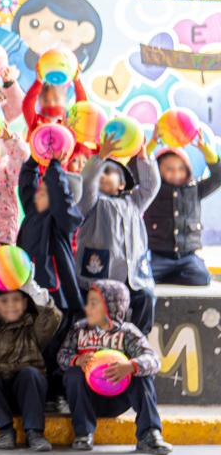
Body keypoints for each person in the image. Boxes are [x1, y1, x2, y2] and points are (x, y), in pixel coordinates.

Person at [57, 279, 170, 455]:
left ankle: (149, 433)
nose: (88, 308)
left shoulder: (128, 332)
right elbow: (62, 356)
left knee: (142, 376)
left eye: (94, 303)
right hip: (89, 400)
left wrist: (131, 366)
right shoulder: (79, 330)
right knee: (73, 374)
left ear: (111, 308)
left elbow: (154, 361)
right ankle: (83, 432)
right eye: (88, 303)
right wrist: (76, 360)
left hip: (118, 398)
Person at [0, 262, 61, 452]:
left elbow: (51, 320)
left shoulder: (32, 327)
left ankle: (34, 432)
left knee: (31, 374)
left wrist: (35, 293)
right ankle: (5, 430)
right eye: (4, 301)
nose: (11, 305)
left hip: (27, 396)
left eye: (16, 299)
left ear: (25, 303)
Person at [75, 143, 160, 334]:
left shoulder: (134, 202)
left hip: (132, 278)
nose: (101, 175)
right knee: (89, 310)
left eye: (107, 172)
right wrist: (99, 158)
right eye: (100, 172)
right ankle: (90, 341)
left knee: (146, 298)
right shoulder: (91, 203)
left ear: (122, 184)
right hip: (99, 278)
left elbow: (151, 186)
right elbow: (87, 184)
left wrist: (144, 158)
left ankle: (136, 339)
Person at [145, 140, 220, 286]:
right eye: (169, 169)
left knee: (202, 277)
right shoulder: (152, 190)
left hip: (187, 257)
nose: (176, 173)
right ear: (158, 169)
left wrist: (207, 152)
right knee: (144, 277)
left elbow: (218, 176)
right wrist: (150, 146)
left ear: (188, 170)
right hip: (159, 256)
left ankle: (169, 276)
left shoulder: (195, 189)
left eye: (181, 168)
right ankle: (168, 274)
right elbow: (136, 172)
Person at [16, 158, 84, 314]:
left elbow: (61, 197)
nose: (38, 193)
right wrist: (33, 161)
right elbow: (27, 184)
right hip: (28, 287)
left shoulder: (63, 221)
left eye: (46, 192)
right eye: (40, 188)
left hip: (55, 296)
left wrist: (55, 164)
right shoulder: (33, 212)